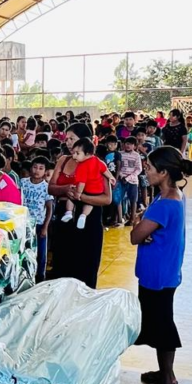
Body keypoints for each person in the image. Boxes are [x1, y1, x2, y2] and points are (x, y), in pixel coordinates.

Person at [131, 146, 192, 384]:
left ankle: (167, 381)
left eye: (148, 168)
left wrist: (139, 223)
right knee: (159, 322)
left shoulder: (163, 204)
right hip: (166, 269)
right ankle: (164, 372)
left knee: (162, 325)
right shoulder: (173, 195)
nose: (145, 172)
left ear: (162, 172)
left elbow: (135, 236)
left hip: (157, 273)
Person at [49, 124, 112, 289]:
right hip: (65, 219)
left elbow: (107, 199)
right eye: (67, 139)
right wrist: (65, 189)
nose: (68, 143)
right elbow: (51, 187)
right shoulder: (63, 160)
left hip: (89, 220)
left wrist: (81, 196)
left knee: (85, 269)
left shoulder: (96, 163)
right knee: (62, 266)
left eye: (73, 139)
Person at [19, 157, 53, 281]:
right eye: (35, 167)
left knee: (41, 253)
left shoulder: (46, 187)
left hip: (39, 224)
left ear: (45, 171)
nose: (37, 171)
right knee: (25, 250)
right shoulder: (23, 182)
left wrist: (45, 226)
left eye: (41, 168)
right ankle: (25, 276)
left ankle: (40, 277)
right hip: (24, 223)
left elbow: (49, 208)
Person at [62, 137, 107, 230]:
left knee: (70, 199)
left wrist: (78, 193)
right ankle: (83, 215)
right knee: (89, 204)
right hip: (95, 191)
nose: (74, 156)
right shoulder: (97, 161)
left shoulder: (83, 166)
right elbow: (105, 169)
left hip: (84, 191)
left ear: (87, 153)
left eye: (77, 153)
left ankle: (69, 212)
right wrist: (111, 177)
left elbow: (82, 182)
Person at [117, 136, 143, 225]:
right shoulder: (120, 154)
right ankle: (119, 217)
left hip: (133, 181)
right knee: (118, 199)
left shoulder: (136, 155)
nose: (128, 146)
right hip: (121, 179)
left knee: (133, 200)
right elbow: (118, 167)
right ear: (124, 144)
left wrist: (128, 178)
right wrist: (121, 176)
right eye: (127, 143)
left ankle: (132, 219)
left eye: (131, 144)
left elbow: (138, 169)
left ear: (135, 146)